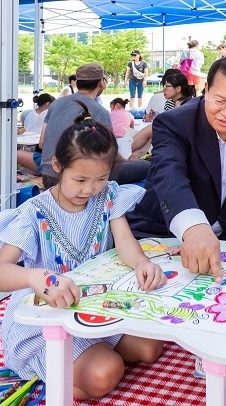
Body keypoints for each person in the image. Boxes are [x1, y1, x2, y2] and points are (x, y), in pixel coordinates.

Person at [0, 107, 167, 400]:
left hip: (94, 304)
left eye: (100, 178)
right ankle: (51, 370)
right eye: (80, 180)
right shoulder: (34, 213)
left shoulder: (107, 196)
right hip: (47, 315)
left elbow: (124, 240)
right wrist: (35, 277)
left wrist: (141, 262)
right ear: (57, 165)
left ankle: (84, 359)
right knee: (105, 373)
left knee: (151, 348)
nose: (89, 189)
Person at [127, 55, 226, 277]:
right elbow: (169, 174)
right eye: (219, 101)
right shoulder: (175, 122)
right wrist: (194, 228)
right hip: (165, 231)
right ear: (206, 90)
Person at [40, 63, 150, 188]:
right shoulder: (100, 112)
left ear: (77, 82)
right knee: (146, 166)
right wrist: (128, 161)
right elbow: (110, 154)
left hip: (48, 176)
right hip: (79, 179)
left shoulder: (55, 104)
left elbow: (42, 143)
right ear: (101, 83)